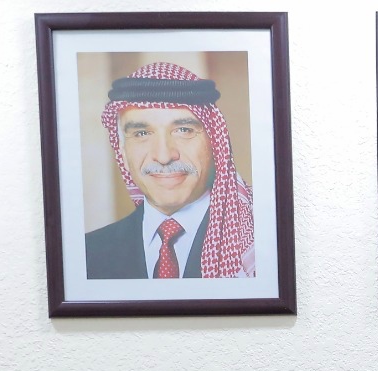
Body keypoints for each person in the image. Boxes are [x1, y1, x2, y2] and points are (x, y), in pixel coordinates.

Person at [85, 63, 255, 279]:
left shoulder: (257, 244)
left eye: (184, 130)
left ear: (215, 144)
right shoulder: (88, 254)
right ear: (123, 153)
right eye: (141, 133)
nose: (164, 156)